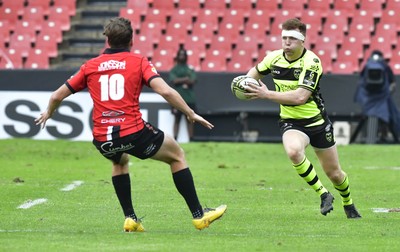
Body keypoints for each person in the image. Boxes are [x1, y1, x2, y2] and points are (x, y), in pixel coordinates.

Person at [35, 17, 226, 232]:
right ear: (131, 40)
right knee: (177, 155)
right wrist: (190, 113)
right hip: (133, 132)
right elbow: (165, 90)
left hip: (102, 138)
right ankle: (199, 215)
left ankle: (130, 218)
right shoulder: (138, 61)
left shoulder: (90, 66)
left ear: (107, 40)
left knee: (119, 161)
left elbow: (56, 96)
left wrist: (48, 114)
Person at [234, 18, 361, 218]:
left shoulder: (312, 62)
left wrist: (266, 94)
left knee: (335, 174)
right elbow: (252, 75)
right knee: (294, 152)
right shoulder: (273, 58)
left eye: (292, 38)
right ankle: (323, 194)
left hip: (317, 122)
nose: (286, 42)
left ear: (302, 40)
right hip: (291, 122)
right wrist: (245, 86)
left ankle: (349, 203)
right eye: (284, 37)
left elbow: (300, 97)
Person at [354, 50, 400, 143]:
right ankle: (382, 136)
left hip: (374, 98)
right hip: (378, 97)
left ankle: (382, 135)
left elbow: (361, 82)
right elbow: (393, 84)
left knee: (383, 116)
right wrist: (388, 92)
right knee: (385, 116)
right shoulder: (385, 66)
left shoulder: (367, 66)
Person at [169, 48, 197, 141]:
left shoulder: (190, 68)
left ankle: (191, 139)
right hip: (177, 98)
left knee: (190, 119)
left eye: (183, 55)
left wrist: (180, 80)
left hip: (189, 98)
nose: (182, 56)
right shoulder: (174, 69)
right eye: (180, 54)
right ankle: (175, 139)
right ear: (177, 56)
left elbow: (192, 80)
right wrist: (185, 79)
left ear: (186, 56)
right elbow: (174, 80)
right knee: (177, 119)